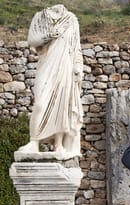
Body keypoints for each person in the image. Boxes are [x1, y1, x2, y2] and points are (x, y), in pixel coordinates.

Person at [19, 4, 83, 156]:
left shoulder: (72, 20)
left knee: (61, 105)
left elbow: (76, 48)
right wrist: (51, 34)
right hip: (46, 65)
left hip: (65, 68)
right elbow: (32, 40)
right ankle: (34, 141)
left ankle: (59, 144)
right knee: (40, 104)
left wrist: (78, 66)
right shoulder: (41, 16)